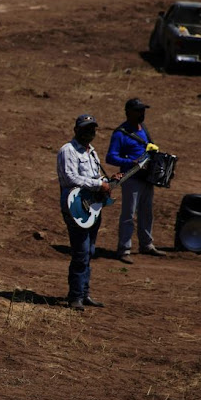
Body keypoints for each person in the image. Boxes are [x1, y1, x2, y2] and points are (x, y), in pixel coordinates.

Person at [58, 115, 119, 311]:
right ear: (76, 130)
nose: (89, 132)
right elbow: (70, 178)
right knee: (81, 252)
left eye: (92, 129)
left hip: (91, 208)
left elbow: (95, 178)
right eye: (85, 128)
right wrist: (98, 184)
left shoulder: (92, 152)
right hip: (76, 207)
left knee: (89, 251)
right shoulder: (68, 151)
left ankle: (84, 293)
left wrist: (108, 181)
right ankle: (75, 296)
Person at [106, 98, 167, 265]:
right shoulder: (120, 133)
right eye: (139, 110)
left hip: (146, 178)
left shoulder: (143, 129)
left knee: (147, 212)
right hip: (131, 178)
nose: (142, 113)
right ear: (128, 112)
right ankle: (124, 249)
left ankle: (146, 244)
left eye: (143, 110)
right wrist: (130, 163)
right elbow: (110, 157)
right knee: (129, 214)